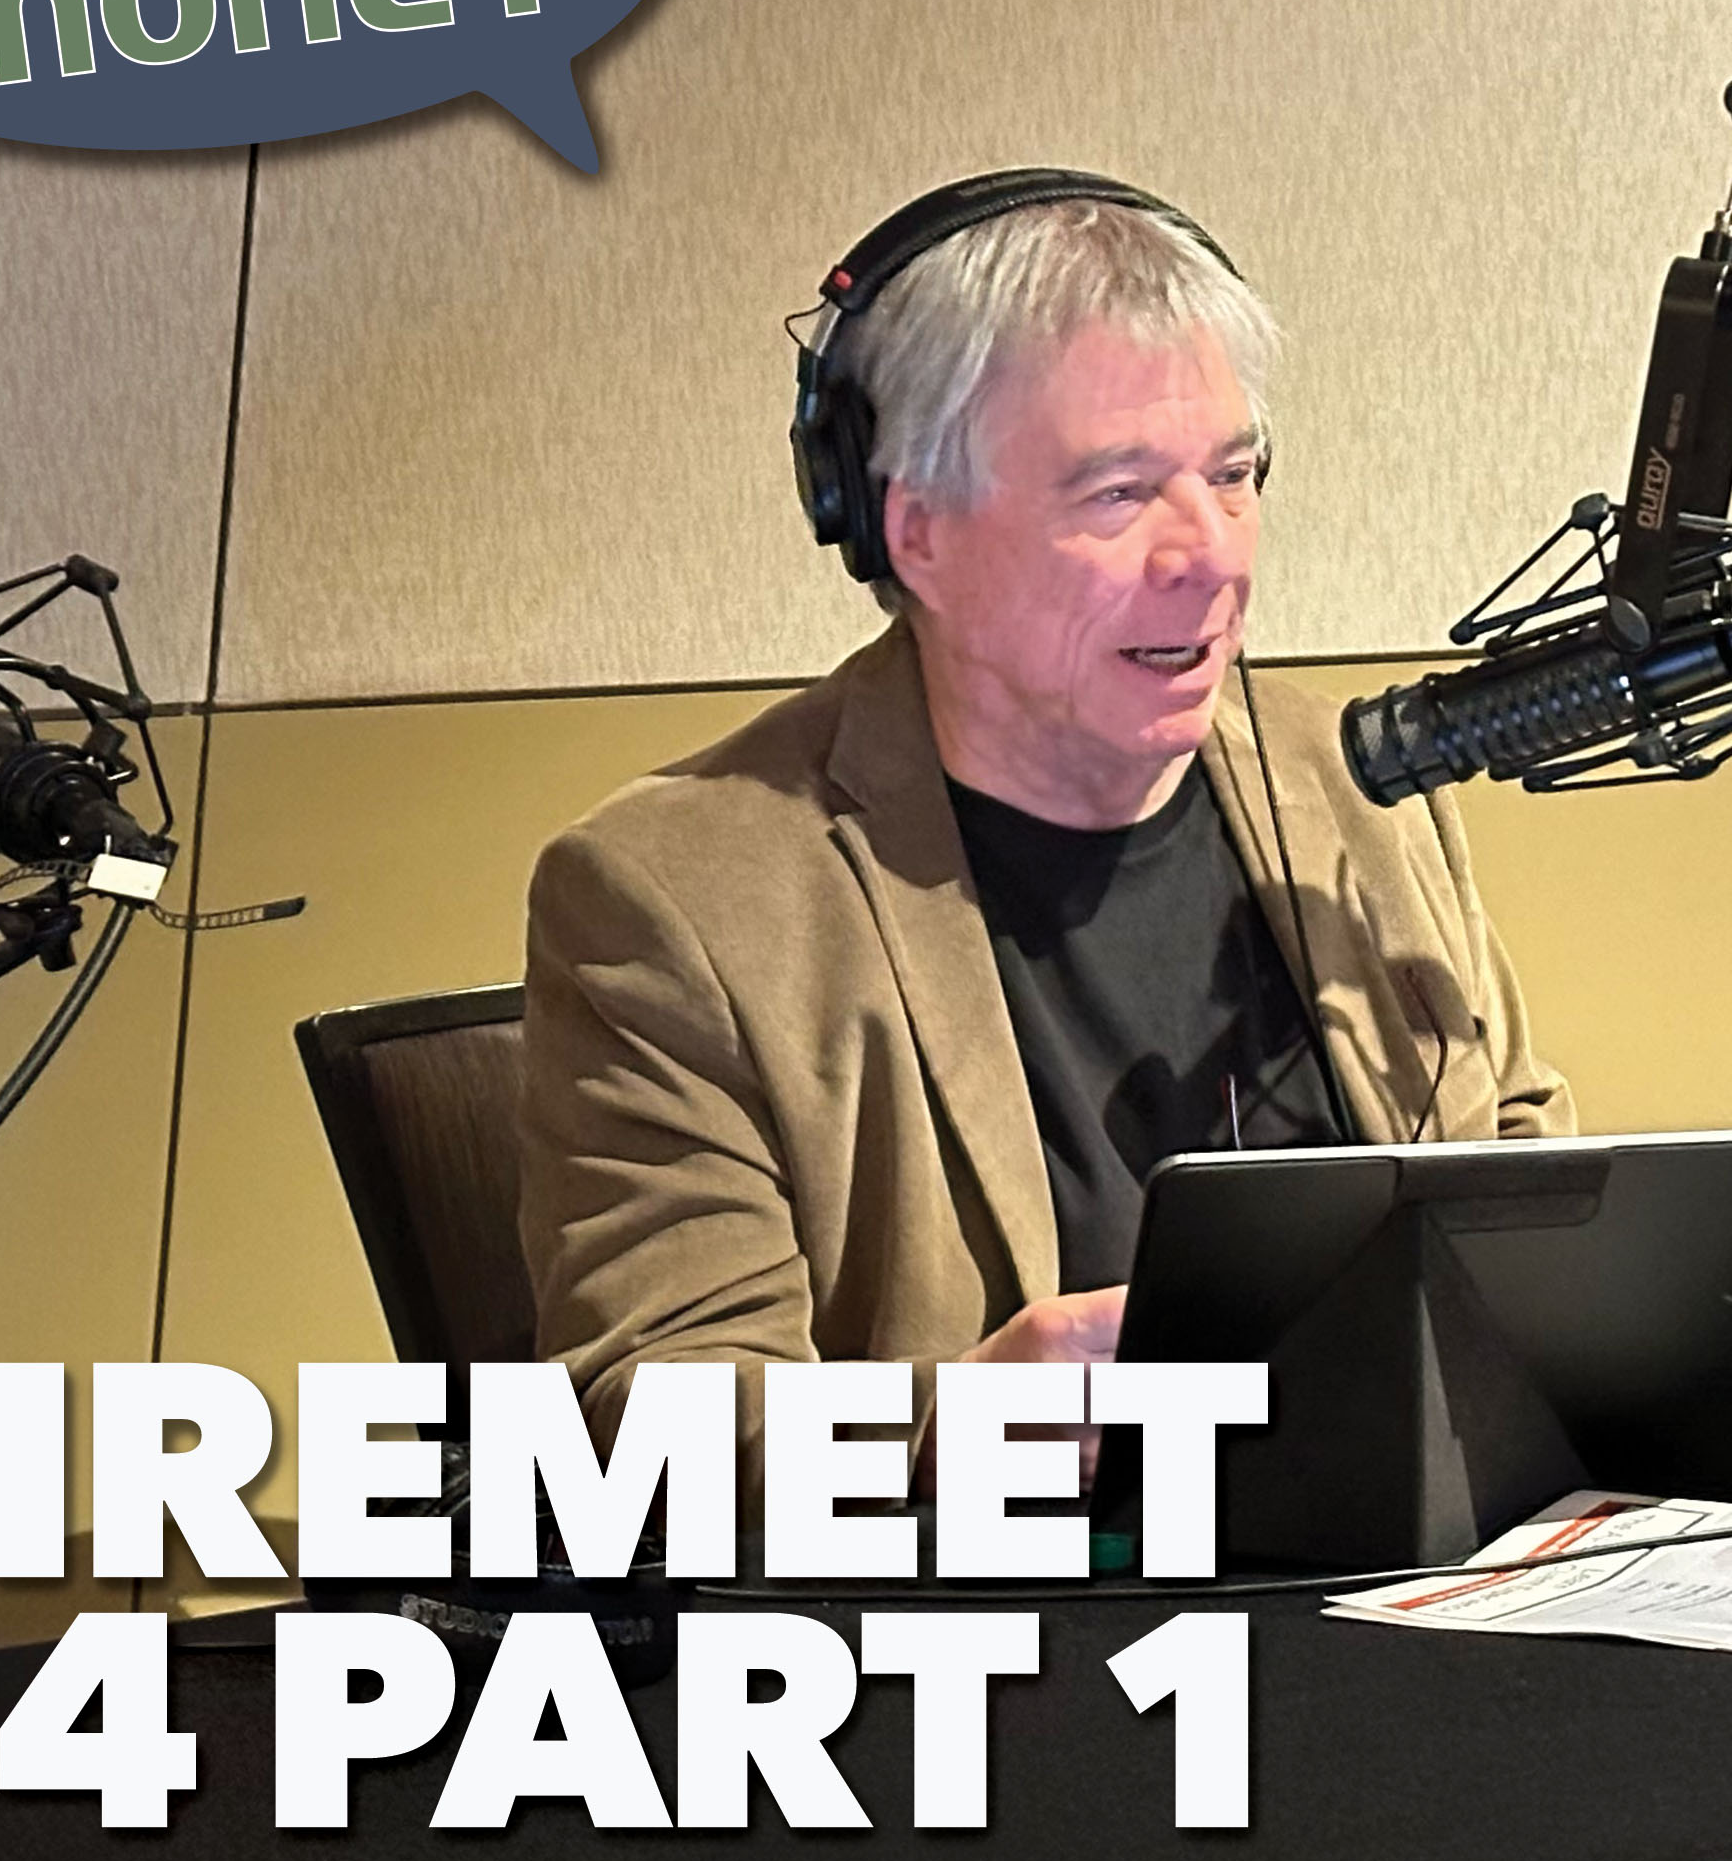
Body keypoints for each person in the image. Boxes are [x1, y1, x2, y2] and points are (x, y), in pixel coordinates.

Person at [520, 173, 1569, 1459]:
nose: (1211, 553)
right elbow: (653, 1418)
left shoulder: (1359, 785)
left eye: (1234, 475)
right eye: (1118, 494)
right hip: (1006, 1578)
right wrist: (960, 1421)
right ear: (914, 533)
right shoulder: (676, 896)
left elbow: (1525, 1166)